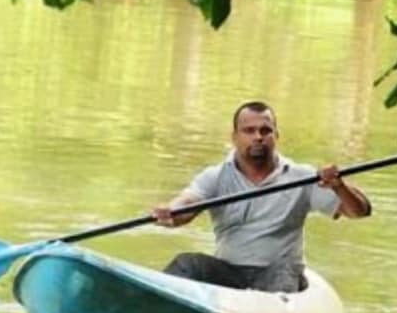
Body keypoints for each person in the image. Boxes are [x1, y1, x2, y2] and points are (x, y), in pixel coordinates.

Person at [152, 101, 371, 293]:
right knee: (187, 263)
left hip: (278, 272)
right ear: (234, 137)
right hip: (228, 272)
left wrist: (339, 187)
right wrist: (170, 211)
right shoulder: (215, 176)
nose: (258, 137)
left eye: (265, 131)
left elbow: (359, 211)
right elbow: (186, 205)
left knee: (284, 272)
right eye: (249, 131)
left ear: (276, 136)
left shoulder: (302, 176)